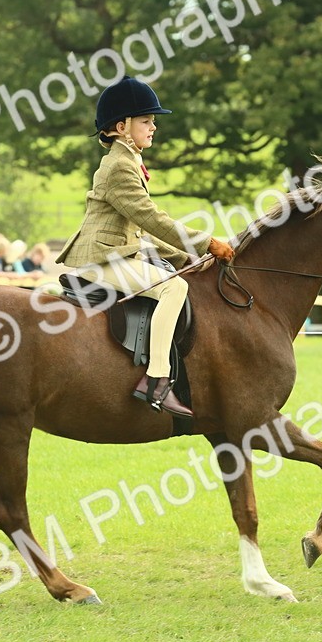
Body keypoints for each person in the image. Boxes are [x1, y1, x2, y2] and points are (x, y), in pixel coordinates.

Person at [56, 75, 234, 418]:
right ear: (122, 126)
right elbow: (153, 218)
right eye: (147, 121)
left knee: (178, 276)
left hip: (117, 250)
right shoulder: (119, 166)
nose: (154, 128)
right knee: (173, 287)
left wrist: (187, 256)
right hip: (103, 258)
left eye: (153, 121)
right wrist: (207, 243)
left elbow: (141, 232)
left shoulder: (129, 160)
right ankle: (155, 380)